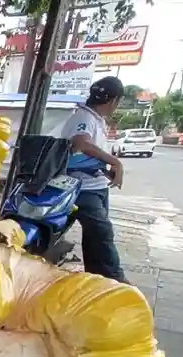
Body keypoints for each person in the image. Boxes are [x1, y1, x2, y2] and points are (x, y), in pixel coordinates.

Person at [56, 76, 129, 282]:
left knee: (94, 237)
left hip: (95, 185)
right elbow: (80, 143)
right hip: (83, 188)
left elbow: (83, 154)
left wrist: (103, 168)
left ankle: (98, 279)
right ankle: (115, 281)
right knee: (102, 233)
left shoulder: (95, 119)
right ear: (114, 100)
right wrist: (115, 162)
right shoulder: (84, 117)